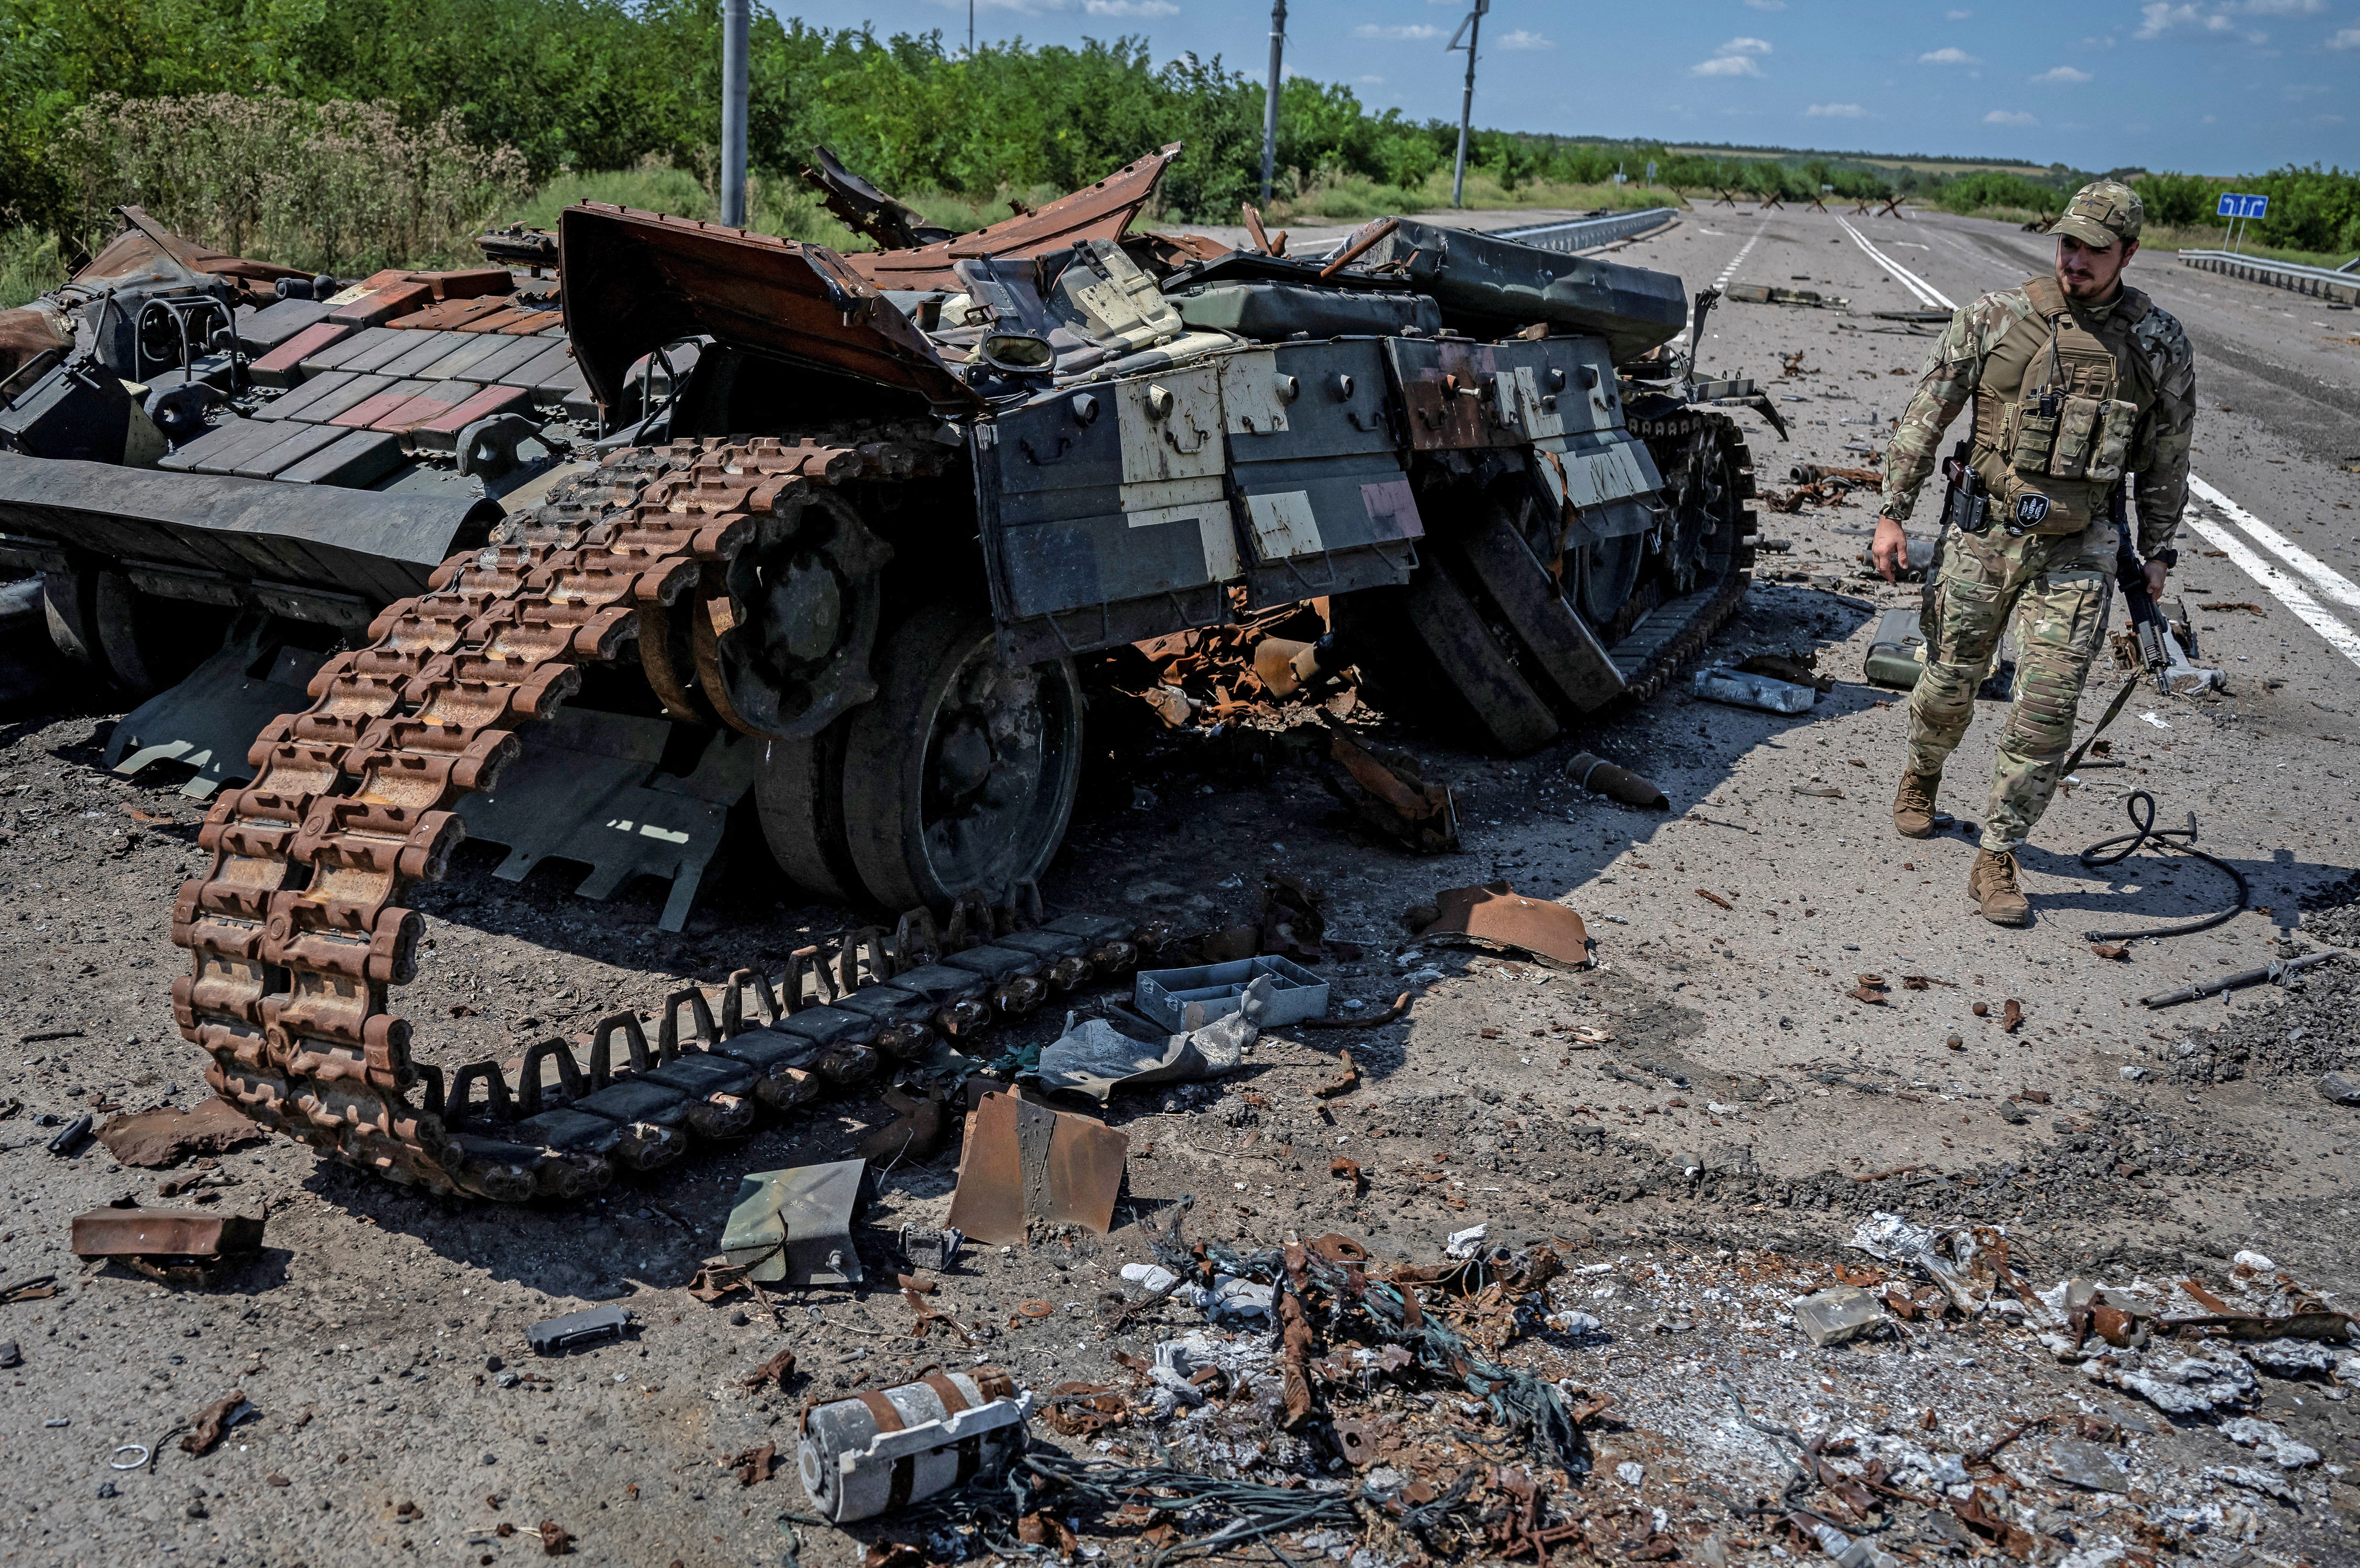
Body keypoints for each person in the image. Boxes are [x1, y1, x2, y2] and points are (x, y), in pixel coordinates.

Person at [1872, 180, 2195, 925]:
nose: (2074, 260)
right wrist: (1893, 512)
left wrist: (2158, 549)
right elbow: (1927, 412)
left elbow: (2167, 456)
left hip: (2079, 549)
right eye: (2067, 243)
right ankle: (1922, 774)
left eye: (2093, 250)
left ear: (2130, 255)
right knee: (1950, 682)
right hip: (1984, 537)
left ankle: (1997, 852)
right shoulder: (1994, 318)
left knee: (2045, 712)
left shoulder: (2155, 343)